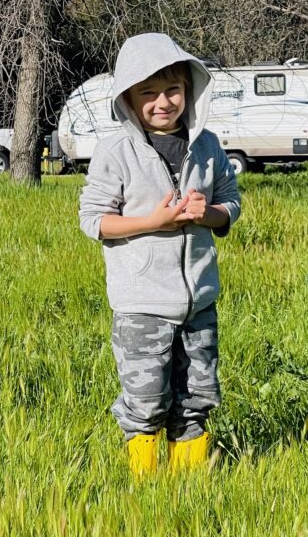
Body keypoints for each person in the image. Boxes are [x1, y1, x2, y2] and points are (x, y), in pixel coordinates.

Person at [79, 32, 241, 478]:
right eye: (148, 93)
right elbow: (94, 221)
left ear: (189, 89)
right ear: (128, 99)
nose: (163, 102)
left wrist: (209, 213)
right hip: (142, 306)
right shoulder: (115, 151)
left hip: (199, 303)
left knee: (196, 398)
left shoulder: (207, 146)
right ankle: (146, 488)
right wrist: (154, 221)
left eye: (172, 89)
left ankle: (188, 487)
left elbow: (231, 203)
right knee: (147, 399)